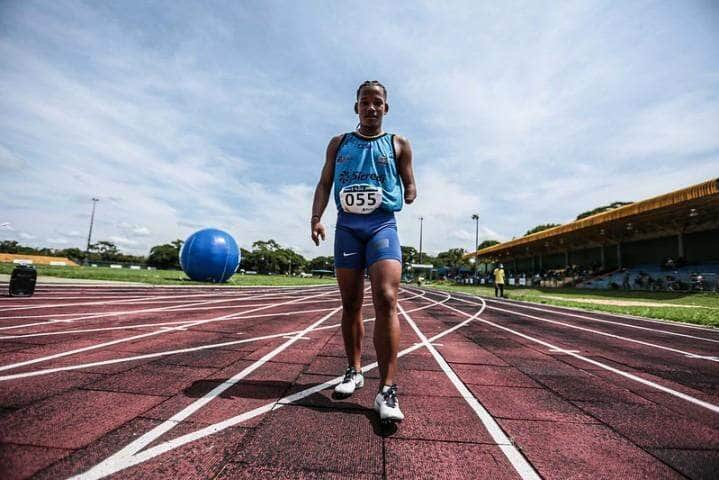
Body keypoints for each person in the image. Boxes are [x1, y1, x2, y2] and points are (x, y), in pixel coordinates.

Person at [310, 80, 417, 423]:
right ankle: (354, 371)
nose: (371, 107)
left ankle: (387, 389)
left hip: (382, 225)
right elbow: (325, 182)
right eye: (365, 102)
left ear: (387, 107)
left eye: (378, 102)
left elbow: (410, 182)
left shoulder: (398, 143)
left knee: (386, 297)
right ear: (355, 106)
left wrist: (410, 191)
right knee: (351, 302)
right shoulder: (338, 143)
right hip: (347, 227)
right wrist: (316, 218)